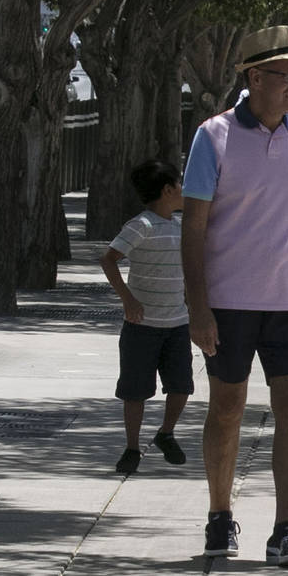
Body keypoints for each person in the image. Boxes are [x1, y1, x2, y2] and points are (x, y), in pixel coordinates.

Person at [182, 25, 288, 567]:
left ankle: (286, 530)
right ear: (253, 77)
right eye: (286, 75)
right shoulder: (213, 136)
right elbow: (193, 227)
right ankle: (220, 515)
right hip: (228, 299)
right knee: (227, 407)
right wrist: (197, 306)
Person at [100, 159, 193, 476]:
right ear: (168, 190)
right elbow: (109, 260)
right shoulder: (140, 226)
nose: (183, 190)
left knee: (181, 386)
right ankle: (132, 447)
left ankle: (166, 433)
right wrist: (128, 299)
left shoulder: (182, 226)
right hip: (142, 327)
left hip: (177, 324)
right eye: (179, 184)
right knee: (135, 391)